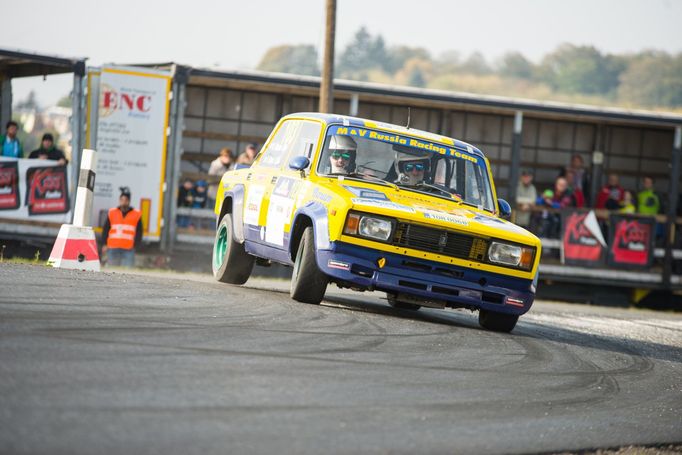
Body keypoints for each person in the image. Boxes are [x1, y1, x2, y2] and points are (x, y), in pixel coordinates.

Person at [102, 187, 142, 267]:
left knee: (128, 273)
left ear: (129, 201)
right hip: (113, 247)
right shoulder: (112, 212)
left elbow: (139, 232)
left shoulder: (136, 214)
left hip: (128, 248)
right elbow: (106, 229)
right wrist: (104, 244)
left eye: (125, 200)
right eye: (122, 200)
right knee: (112, 271)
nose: (123, 202)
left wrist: (136, 245)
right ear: (119, 200)